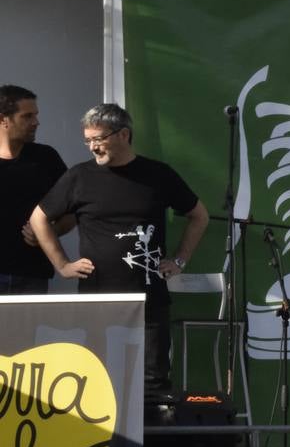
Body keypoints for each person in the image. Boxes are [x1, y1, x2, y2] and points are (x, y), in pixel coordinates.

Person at [30, 103, 209, 391]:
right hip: (97, 299)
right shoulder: (79, 177)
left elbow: (199, 215)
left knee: (154, 380)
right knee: (95, 378)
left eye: (98, 139)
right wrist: (61, 265)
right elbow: (38, 218)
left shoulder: (157, 174)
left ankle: (152, 436)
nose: (92, 147)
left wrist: (180, 261)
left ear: (123, 135)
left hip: (149, 298)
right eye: (87, 140)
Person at [0, 85, 72, 294]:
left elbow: (72, 212)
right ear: (3, 119)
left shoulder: (46, 158)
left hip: (31, 275)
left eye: (36, 115)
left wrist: (49, 231)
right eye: (27, 116)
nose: (36, 122)